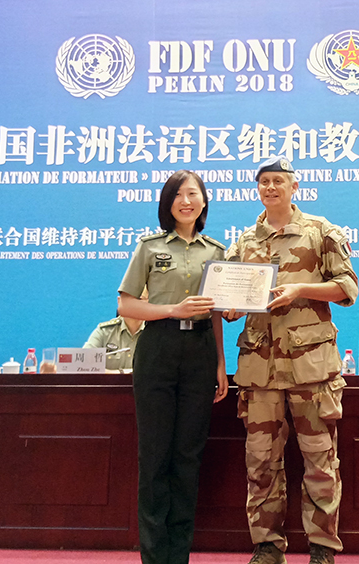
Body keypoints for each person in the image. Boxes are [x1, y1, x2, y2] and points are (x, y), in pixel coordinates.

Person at [223, 155, 358, 564]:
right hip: (260, 370)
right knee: (260, 462)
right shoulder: (245, 241)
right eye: (264, 181)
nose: (270, 188)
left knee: (319, 461)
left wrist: (301, 289)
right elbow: (229, 299)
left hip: (310, 369)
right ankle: (267, 547)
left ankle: (322, 549)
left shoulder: (321, 231)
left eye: (278, 181)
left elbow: (347, 287)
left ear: (294, 186)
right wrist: (230, 306)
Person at [117, 170, 228, 564]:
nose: (186, 201)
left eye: (193, 194)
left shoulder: (217, 251)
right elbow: (126, 304)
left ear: (204, 202)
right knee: (155, 455)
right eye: (178, 195)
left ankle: (178, 556)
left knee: (187, 456)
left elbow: (217, 311)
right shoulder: (149, 247)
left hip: (200, 350)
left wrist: (220, 362)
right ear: (168, 203)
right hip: (158, 348)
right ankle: (153, 556)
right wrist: (171, 310)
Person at [83, 293, 146, 372]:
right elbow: (83, 364)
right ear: (119, 301)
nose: (134, 304)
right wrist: (117, 373)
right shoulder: (104, 332)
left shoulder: (156, 334)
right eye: (129, 299)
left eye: (140, 299)